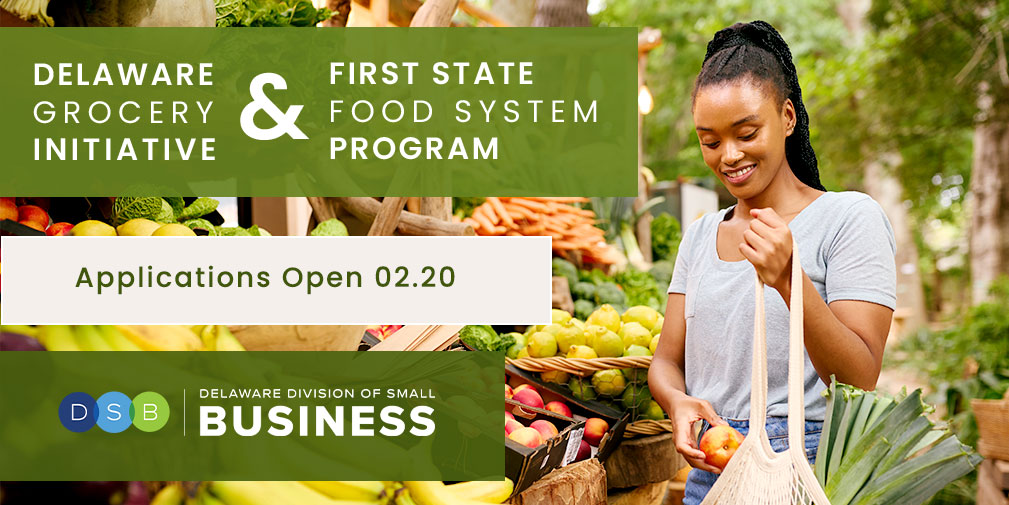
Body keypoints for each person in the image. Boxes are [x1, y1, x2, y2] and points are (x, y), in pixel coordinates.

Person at [647, 21, 897, 504]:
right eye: (710, 141)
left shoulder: (847, 218)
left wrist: (788, 280)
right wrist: (677, 401)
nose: (729, 156)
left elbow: (861, 377)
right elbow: (666, 360)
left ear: (787, 117)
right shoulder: (700, 235)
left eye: (746, 132)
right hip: (711, 469)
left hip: (805, 467)